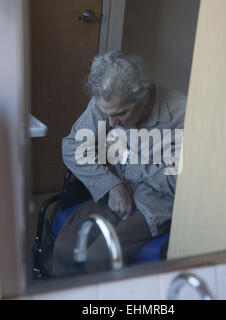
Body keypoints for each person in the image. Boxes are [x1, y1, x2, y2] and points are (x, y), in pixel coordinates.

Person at [52, 51, 186, 277]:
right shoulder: (107, 101)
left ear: (143, 98)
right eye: (107, 115)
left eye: (121, 114)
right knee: (66, 250)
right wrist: (111, 185)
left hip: (156, 202)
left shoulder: (181, 113)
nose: (111, 122)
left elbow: (177, 181)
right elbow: (73, 147)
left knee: (100, 257)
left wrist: (127, 159)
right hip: (116, 185)